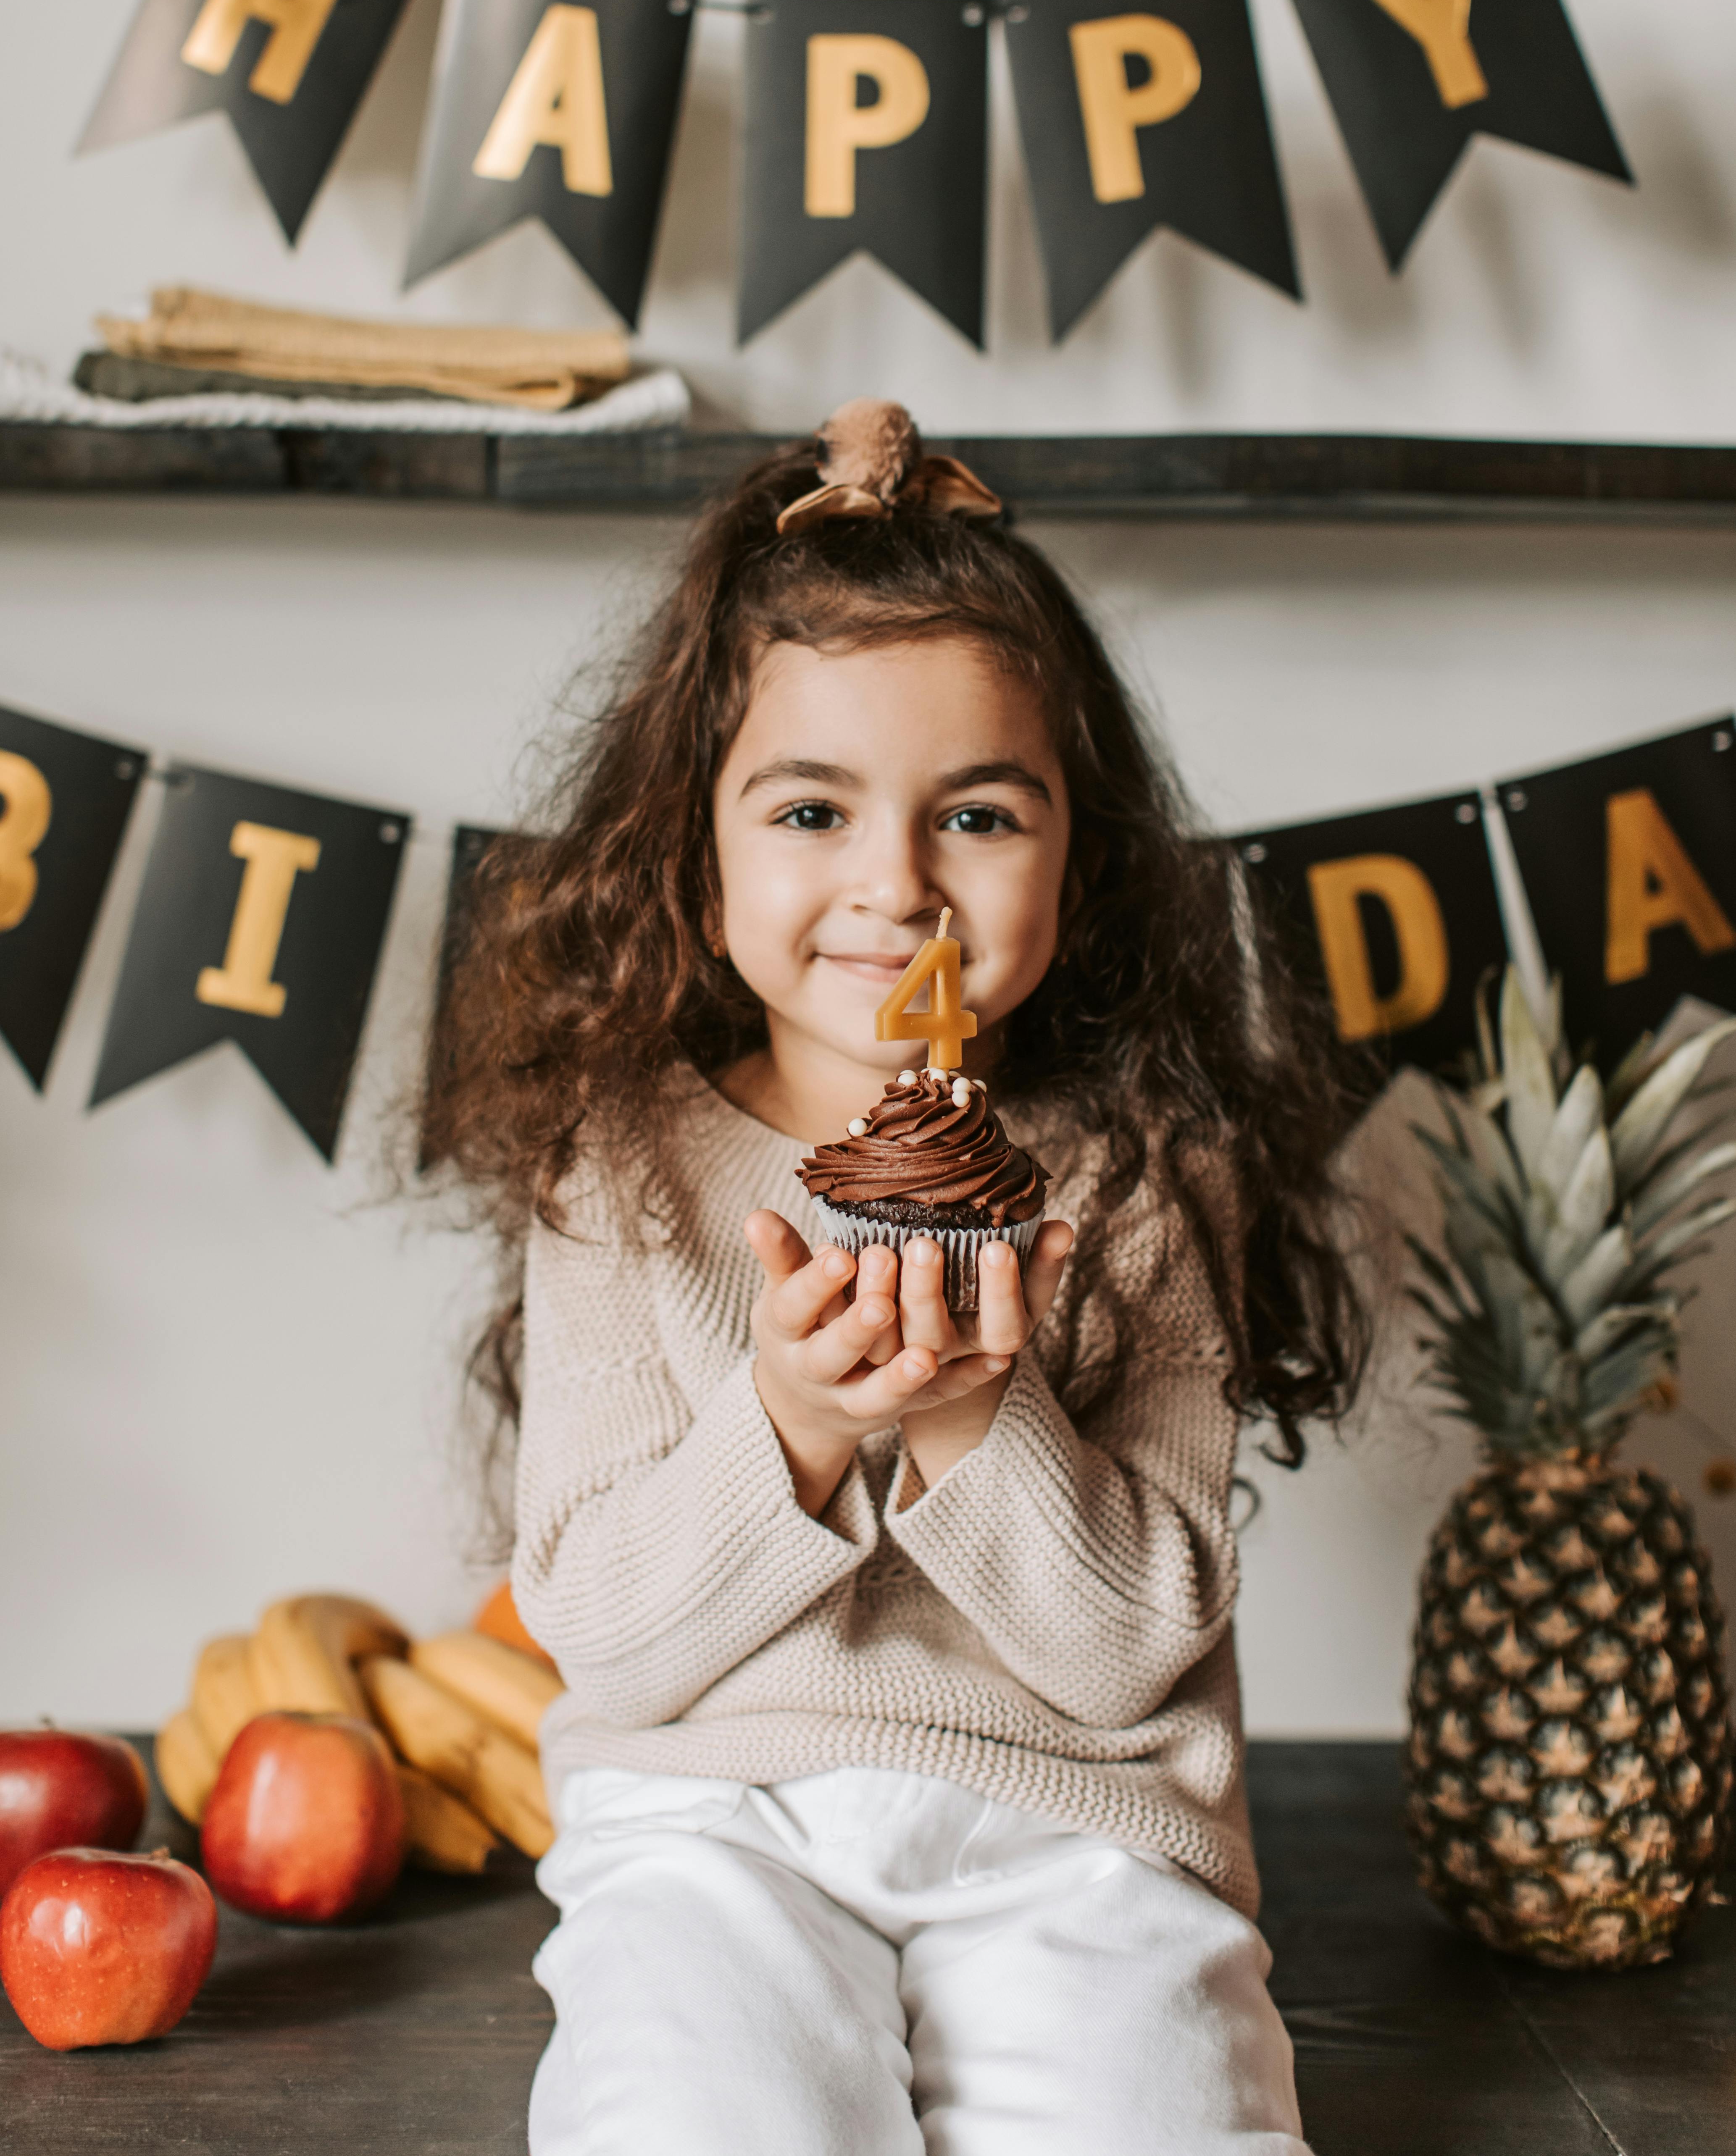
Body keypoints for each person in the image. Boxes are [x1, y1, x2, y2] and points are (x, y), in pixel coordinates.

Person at [423, 401, 1365, 2156]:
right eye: (808, 806)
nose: (895, 884)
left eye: (980, 813)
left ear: (1076, 870)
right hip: (716, 1821)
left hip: (1078, 1822)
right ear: (695, 868)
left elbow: (1126, 1653)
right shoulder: (617, 1169)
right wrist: (783, 1415)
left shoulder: (1146, 1180)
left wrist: (968, 1408)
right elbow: (608, 1638)